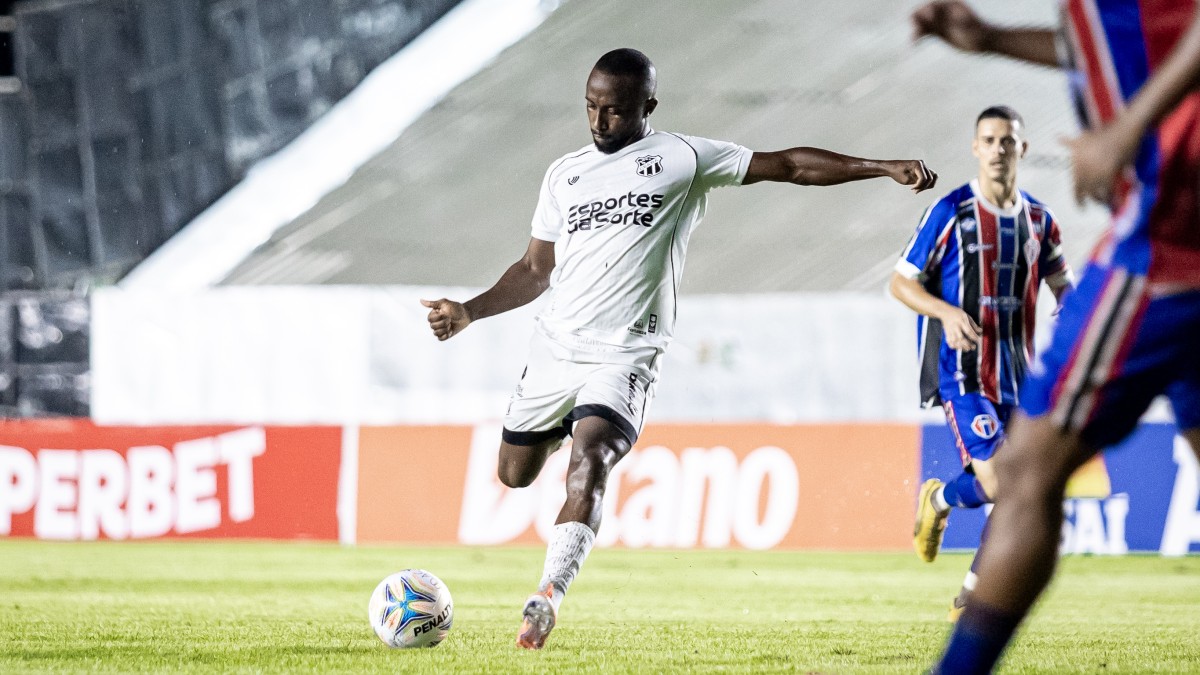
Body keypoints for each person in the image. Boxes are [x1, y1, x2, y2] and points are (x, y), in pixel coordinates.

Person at [421, 47, 938, 650]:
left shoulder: (683, 158)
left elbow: (789, 165)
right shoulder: (564, 173)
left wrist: (881, 166)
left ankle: (546, 597)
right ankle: (565, 420)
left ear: (648, 107)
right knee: (513, 476)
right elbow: (536, 268)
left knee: (589, 467)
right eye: (590, 108)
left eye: (613, 111)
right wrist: (469, 311)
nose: (598, 122)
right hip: (555, 350)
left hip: (626, 358)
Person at [912, 2, 1200, 672]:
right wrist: (992, 40)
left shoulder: (1032, 220)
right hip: (1169, 232)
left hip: (1166, 242)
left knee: (1027, 468)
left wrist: (1125, 129)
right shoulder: (953, 208)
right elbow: (1122, 44)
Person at [890, 105, 1072, 620]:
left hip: (1021, 379)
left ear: (1022, 149)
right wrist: (945, 311)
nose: (997, 149)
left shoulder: (1041, 221)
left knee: (1021, 493)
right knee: (1002, 483)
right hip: (964, 374)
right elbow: (900, 282)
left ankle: (966, 582)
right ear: (975, 148)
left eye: (1007, 141)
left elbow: (1066, 289)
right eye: (988, 140)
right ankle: (944, 504)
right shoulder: (951, 212)